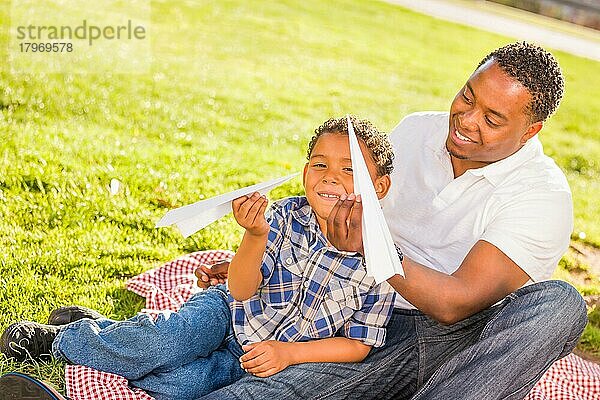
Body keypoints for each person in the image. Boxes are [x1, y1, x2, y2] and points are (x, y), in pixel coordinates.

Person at [189, 42, 588, 400]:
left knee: (561, 303)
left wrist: (371, 248)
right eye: (467, 97)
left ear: (530, 130)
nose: (467, 120)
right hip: (355, 313)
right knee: (258, 388)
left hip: (453, 341)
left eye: (492, 119)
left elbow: (455, 304)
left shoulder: (542, 195)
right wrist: (266, 263)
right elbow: (339, 214)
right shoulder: (417, 130)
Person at [0, 116, 397, 400]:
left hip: (256, 356)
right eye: (320, 164)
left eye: (350, 170)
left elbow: (358, 345)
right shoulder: (285, 215)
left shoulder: (386, 263)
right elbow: (241, 288)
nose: (329, 176)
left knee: (173, 386)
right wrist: (255, 235)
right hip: (226, 311)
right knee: (161, 343)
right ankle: (62, 340)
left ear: (379, 187)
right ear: (304, 169)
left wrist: (289, 353)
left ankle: (102, 328)